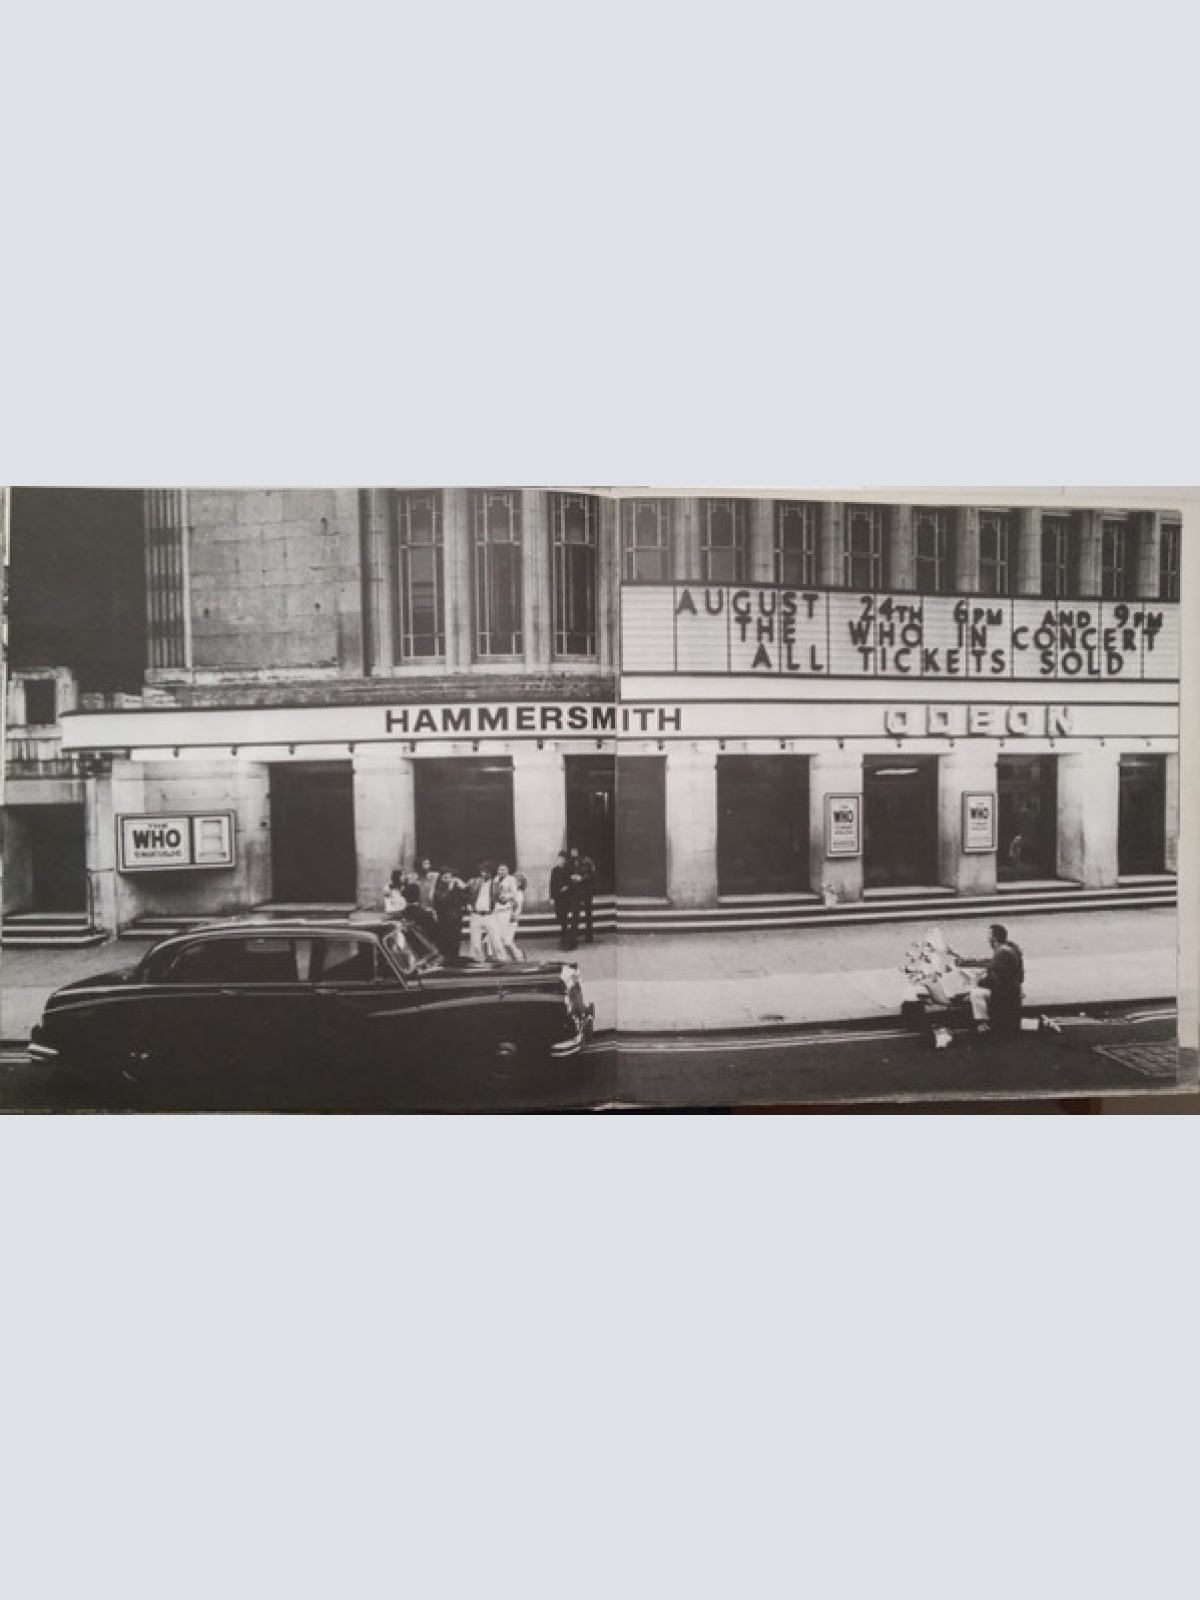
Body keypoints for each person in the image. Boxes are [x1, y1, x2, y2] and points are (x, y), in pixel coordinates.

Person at [960, 923, 1025, 1037]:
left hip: (1005, 993)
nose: (987, 938)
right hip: (1011, 990)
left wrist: (977, 982)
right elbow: (991, 964)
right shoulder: (1007, 949)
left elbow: (995, 979)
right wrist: (966, 962)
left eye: (989, 935)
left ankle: (982, 1024)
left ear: (994, 937)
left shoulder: (1002, 953)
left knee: (975, 994)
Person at [465, 861, 501, 962]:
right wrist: (467, 904)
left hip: (489, 915)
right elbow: (464, 893)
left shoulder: (496, 885)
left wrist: (510, 899)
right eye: (483, 871)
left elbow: (501, 899)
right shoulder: (474, 882)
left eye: (487, 872)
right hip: (476, 915)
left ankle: (502, 960)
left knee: (496, 940)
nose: (484, 874)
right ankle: (476, 962)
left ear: (491, 873)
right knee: (475, 942)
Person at [432, 869, 467, 961]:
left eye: (450, 877)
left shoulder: (456, 887)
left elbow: (464, 897)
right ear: (441, 878)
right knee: (446, 941)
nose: (448, 879)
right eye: (445, 877)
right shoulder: (439, 888)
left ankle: (455, 958)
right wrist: (450, 889)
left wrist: (463, 887)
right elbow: (442, 899)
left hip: (455, 918)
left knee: (456, 941)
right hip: (444, 919)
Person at [550, 850, 579, 950]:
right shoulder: (554, 870)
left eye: (562, 859)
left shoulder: (569, 869)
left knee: (566, 919)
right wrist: (552, 897)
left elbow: (573, 881)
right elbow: (552, 884)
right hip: (558, 897)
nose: (560, 860)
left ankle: (567, 941)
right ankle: (564, 937)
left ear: (565, 860)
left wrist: (567, 887)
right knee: (561, 917)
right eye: (559, 858)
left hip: (567, 897)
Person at [569, 845, 597, 944]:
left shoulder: (586, 861)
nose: (572, 852)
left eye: (574, 850)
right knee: (575, 914)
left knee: (588, 914)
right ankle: (574, 938)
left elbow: (591, 874)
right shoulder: (571, 862)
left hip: (586, 891)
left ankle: (588, 937)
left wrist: (581, 878)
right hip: (576, 892)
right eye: (572, 850)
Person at [497, 872, 527, 963]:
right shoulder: (508, 892)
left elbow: (516, 906)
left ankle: (520, 955)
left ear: (520, 884)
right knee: (502, 940)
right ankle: (514, 956)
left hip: (512, 920)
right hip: (503, 919)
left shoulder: (519, 894)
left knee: (507, 941)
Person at [399, 881, 440, 945]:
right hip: (424, 949)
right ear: (418, 895)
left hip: (408, 948)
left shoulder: (401, 915)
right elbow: (434, 936)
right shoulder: (427, 915)